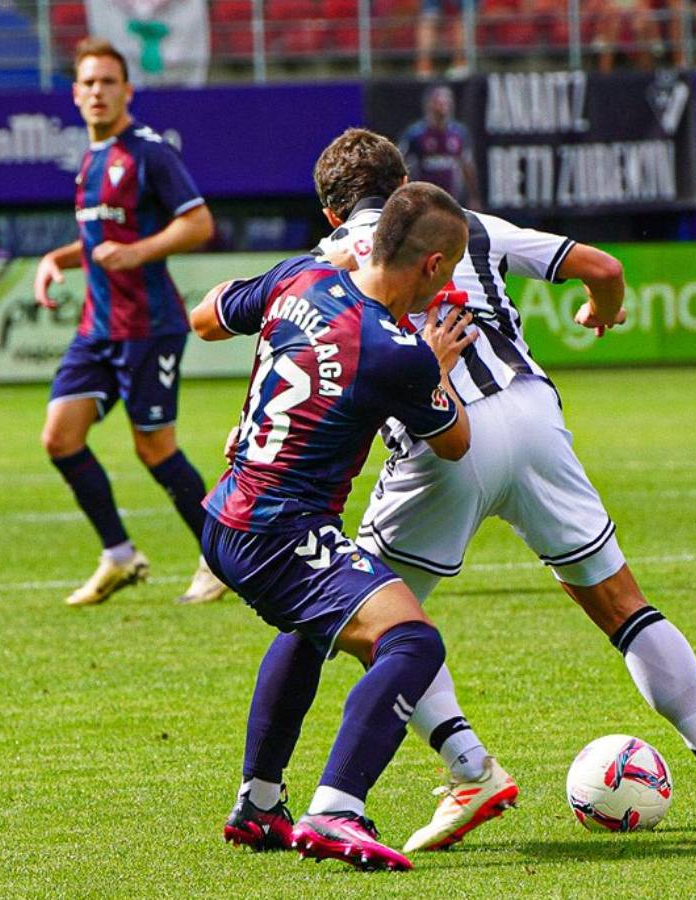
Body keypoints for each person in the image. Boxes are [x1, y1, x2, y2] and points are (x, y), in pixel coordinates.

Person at [234, 128, 696, 853]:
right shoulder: (468, 227)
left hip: (444, 439)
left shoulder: (326, 262)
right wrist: (602, 308)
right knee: (622, 605)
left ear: (333, 216)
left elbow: (241, 326)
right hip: (532, 419)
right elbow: (602, 267)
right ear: (404, 190)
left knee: (362, 623)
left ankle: (468, 769)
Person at [189, 182, 475, 871]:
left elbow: (206, 315)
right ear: (433, 267)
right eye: (454, 267)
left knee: (310, 629)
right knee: (411, 642)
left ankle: (259, 805)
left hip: (225, 513)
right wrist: (435, 367)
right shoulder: (398, 350)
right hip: (279, 530)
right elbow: (456, 442)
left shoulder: (301, 275)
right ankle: (337, 808)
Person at [33, 37, 227, 607]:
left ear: (127, 91)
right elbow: (98, 241)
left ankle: (219, 561)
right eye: (88, 83)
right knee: (59, 436)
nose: (97, 92)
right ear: (75, 94)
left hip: (149, 324)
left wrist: (138, 253)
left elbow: (199, 223)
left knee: (155, 448)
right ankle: (119, 555)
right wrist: (56, 260)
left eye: (107, 82)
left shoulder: (147, 152)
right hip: (98, 327)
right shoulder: (92, 160)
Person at [398, 85, 481, 210]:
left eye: (446, 102)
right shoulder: (415, 134)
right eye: (438, 102)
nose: (443, 106)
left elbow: (467, 166)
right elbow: (400, 162)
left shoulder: (459, 134)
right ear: (429, 105)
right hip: (424, 200)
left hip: (451, 199)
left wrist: (473, 197)